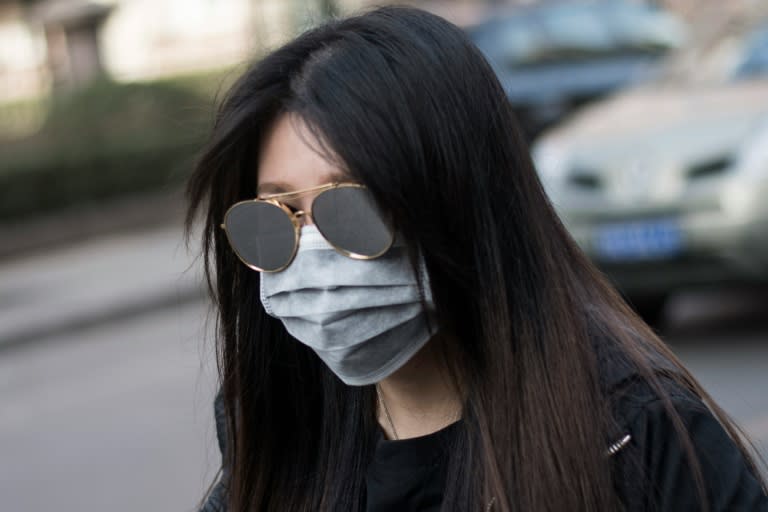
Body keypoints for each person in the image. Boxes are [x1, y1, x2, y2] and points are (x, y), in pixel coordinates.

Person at [187, 6, 768, 511]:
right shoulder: (272, 422)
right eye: (272, 217)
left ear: (458, 200)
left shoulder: (633, 433)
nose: (311, 249)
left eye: (350, 206)